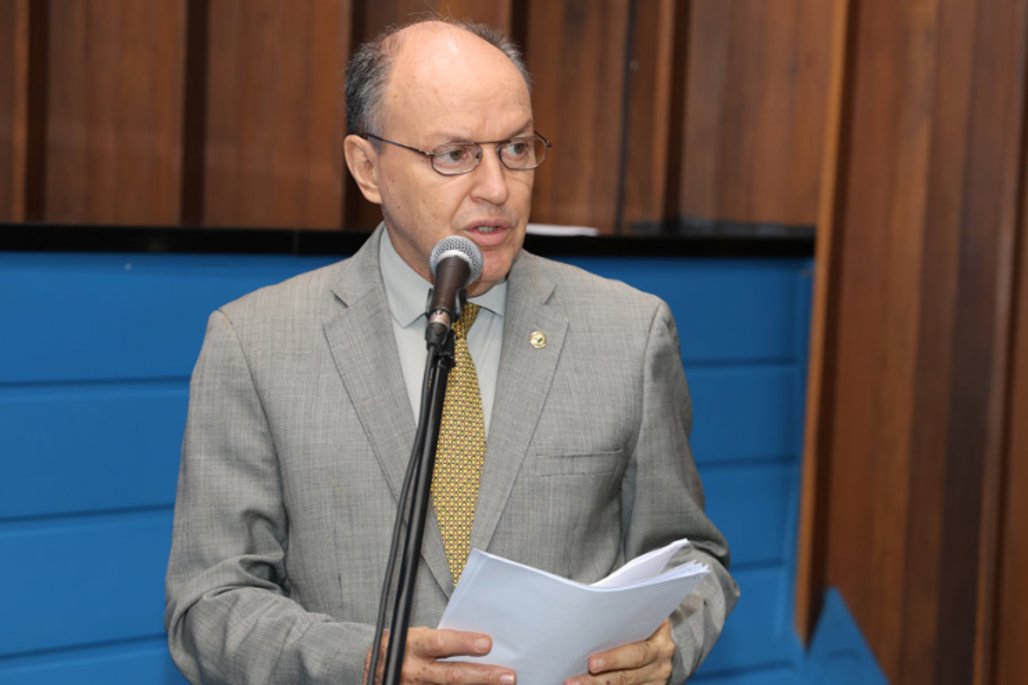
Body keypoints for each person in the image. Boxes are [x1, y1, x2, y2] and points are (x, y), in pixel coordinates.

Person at [165, 17, 738, 685]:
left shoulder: (628, 333)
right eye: (455, 154)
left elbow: (694, 561)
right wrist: (364, 663)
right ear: (367, 168)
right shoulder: (256, 344)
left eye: (515, 148)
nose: (497, 186)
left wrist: (668, 646)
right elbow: (208, 608)